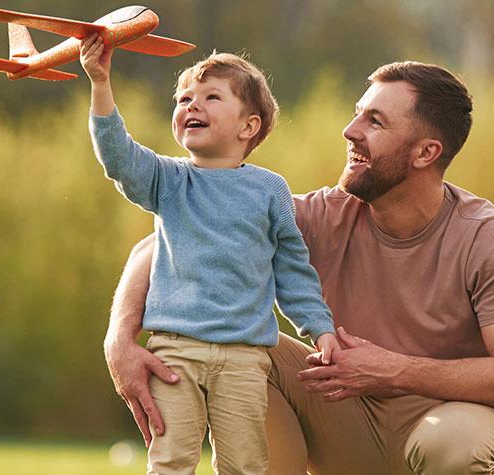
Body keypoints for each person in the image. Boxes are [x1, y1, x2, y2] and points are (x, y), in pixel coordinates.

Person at [105, 60, 494, 474]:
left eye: (375, 122)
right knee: (254, 350)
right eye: (358, 114)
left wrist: (394, 369)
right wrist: (120, 340)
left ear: (425, 152)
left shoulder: (486, 237)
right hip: (344, 419)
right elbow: (160, 246)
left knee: (457, 442)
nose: (349, 130)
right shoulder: (324, 214)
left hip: (444, 422)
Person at [80, 33, 340, 475]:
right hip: (174, 352)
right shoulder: (168, 179)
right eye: (183, 99)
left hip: (244, 357)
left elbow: (293, 272)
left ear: (248, 126)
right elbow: (118, 158)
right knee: (171, 460)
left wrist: (320, 327)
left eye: (210, 97)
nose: (191, 106)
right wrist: (101, 84)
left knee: (245, 465)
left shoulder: (270, 190)